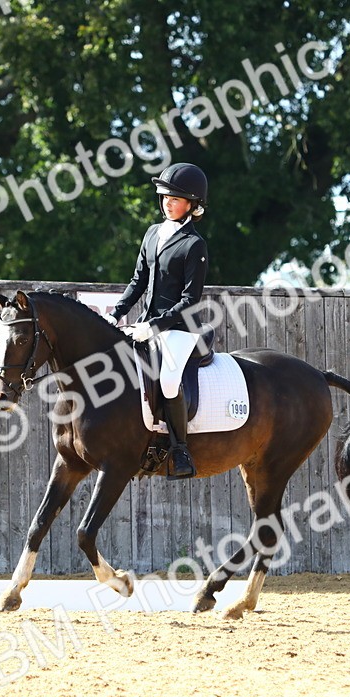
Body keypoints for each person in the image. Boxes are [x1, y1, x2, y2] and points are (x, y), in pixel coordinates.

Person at [106, 163, 209, 480]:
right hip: (143, 324)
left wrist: (154, 326)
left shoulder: (194, 245)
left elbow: (190, 299)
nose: (168, 203)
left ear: (192, 205)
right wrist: (116, 312)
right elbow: (138, 282)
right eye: (165, 196)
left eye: (175, 199)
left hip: (179, 330)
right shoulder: (152, 234)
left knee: (167, 380)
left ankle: (180, 450)